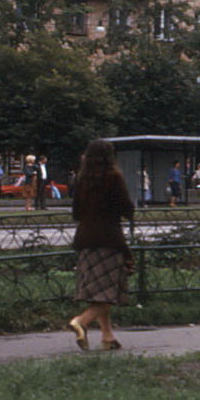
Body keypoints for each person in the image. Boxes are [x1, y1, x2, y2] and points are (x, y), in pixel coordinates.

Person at [68, 139, 136, 352]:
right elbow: (125, 206)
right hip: (109, 240)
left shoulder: (82, 179)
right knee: (110, 290)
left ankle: (107, 337)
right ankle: (81, 321)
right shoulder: (113, 177)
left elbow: (76, 211)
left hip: (85, 240)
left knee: (99, 291)